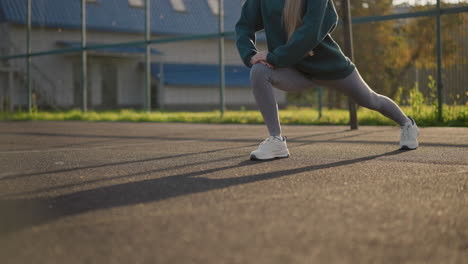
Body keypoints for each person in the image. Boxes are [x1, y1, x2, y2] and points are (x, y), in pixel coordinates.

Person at [235, 0, 419, 161]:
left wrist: (275, 57)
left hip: (328, 66)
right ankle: (276, 140)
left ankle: (407, 124)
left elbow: (312, 30)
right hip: (294, 70)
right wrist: (250, 55)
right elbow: (244, 25)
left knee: (370, 99)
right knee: (259, 71)